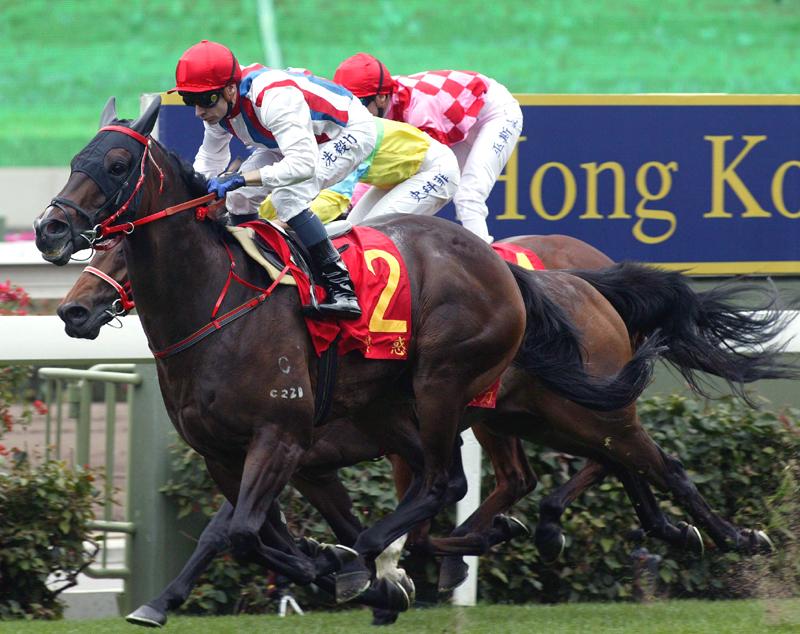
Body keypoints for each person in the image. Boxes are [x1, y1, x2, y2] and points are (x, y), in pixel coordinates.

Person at [169, 40, 378, 319]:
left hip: (347, 133)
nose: (198, 111)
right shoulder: (219, 107)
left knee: (287, 197)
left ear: (230, 89)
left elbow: (302, 165)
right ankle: (253, 270)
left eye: (205, 100)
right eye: (189, 100)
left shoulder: (273, 98)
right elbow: (209, 161)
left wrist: (243, 178)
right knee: (238, 198)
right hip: (291, 142)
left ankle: (342, 289)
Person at [334, 53, 524, 243]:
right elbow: (380, 169)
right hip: (456, 117)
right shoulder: (381, 100)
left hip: (495, 115)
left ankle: (485, 255)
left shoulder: (420, 111)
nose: (352, 114)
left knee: (468, 194)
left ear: (381, 98)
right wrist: (351, 205)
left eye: (359, 105)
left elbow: (427, 172)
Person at [258, 117, 460, 225]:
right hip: (402, 176)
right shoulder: (317, 132)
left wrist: (280, 223)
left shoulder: (344, 140)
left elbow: (334, 200)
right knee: (352, 235)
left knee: (371, 235)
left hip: (436, 171)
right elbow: (284, 194)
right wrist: (257, 216)